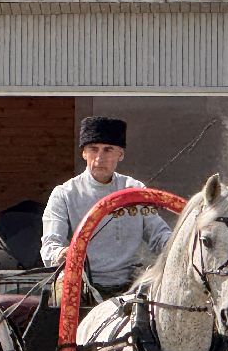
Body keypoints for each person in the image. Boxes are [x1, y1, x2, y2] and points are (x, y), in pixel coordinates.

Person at [39, 115, 172, 293]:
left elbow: (159, 235)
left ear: (121, 154)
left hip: (133, 286)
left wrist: (181, 244)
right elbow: (50, 246)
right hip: (83, 287)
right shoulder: (64, 194)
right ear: (84, 153)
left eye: (108, 150)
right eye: (93, 149)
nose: (99, 158)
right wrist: (61, 254)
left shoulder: (135, 189)